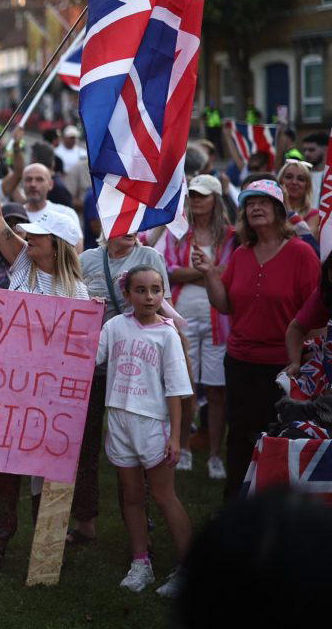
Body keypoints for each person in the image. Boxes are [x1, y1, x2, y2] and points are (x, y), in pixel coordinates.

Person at [0, 143, 89, 569]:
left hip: (50, 394)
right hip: (11, 385)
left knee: (47, 469)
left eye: (37, 235)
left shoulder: (76, 294)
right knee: (4, 468)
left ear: (55, 245)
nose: (27, 237)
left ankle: (46, 545)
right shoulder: (21, 262)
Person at [193, 178, 320, 501]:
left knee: (278, 438)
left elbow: (317, 314)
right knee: (239, 436)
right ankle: (236, 502)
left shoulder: (301, 254)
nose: (256, 208)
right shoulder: (241, 254)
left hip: (284, 367)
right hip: (239, 360)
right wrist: (209, 273)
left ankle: (275, 506)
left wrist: (310, 363)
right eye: (250, 203)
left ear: (279, 210)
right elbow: (224, 305)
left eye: (263, 202)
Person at [69, 230, 171, 543]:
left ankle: (138, 519)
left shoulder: (149, 257)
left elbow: (162, 307)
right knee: (84, 447)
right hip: (90, 368)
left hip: (133, 372)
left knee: (135, 445)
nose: (129, 231)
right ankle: (85, 521)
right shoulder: (86, 259)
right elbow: (73, 304)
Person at [97, 266, 193, 596]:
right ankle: (141, 563)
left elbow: (176, 390)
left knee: (165, 496)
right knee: (133, 498)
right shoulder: (114, 326)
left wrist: (176, 437)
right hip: (120, 421)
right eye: (141, 290)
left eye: (155, 290)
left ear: (163, 294)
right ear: (127, 295)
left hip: (154, 424)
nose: (149, 297)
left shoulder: (167, 335)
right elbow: (89, 357)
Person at [164, 174, 237, 480]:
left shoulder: (231, 236)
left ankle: (215, 456)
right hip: (183, 317)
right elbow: (168, 271)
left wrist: (196, 272)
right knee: (185, 388)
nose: (196, 200)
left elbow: (230, 273)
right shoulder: (178, 232)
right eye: (192, 195)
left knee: (217, 389)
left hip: (218, 321)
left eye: (202, 195)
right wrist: (206, 272)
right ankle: (184, 447)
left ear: (215, 199)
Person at [20, 162, 82, 246]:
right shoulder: (13, 216)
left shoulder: (66, 213)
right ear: (22, 184)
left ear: (50, 184)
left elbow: (77, 249)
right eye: (28, 179)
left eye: (39, 179)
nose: (33, 184)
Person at [278, 158, 317, 233]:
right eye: (289, 177)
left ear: (307, 185)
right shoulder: (271, 211)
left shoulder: (314, 215)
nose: (294, 182)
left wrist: (287, 207)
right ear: (280, 181)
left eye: (300, 179)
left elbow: (308, 238)